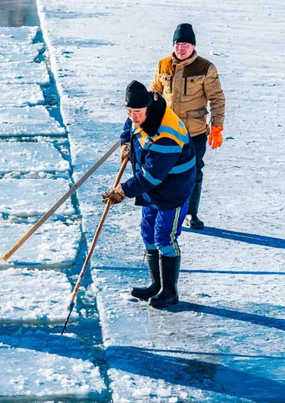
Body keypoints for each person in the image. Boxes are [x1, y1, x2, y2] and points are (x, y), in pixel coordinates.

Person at [103, 81, 196, 308]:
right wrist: (126, 141)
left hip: (172, 189)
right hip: (151, 188)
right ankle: (156, 284)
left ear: (147, 107)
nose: (133, 117)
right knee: (148, 231)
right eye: (130, 112)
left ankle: (170, 292)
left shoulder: (167, 134)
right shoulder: (141, 111)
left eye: (137, 113)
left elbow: (153, 176)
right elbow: (130, 125)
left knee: (165, 237)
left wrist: (123, 191)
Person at [149, 23, 226, 230]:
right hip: (167, 132)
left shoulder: (205, 67)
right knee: (163, 170)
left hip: (194, 132)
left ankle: (191, 214)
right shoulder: (163, 65)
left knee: (193, 172)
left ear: (193, 46)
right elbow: (154, 95)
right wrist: (146, 120)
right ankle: (165, 209)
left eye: (185, 44)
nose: (180, 48)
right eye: (177, 44)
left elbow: (217, 99)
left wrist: (217, 127)